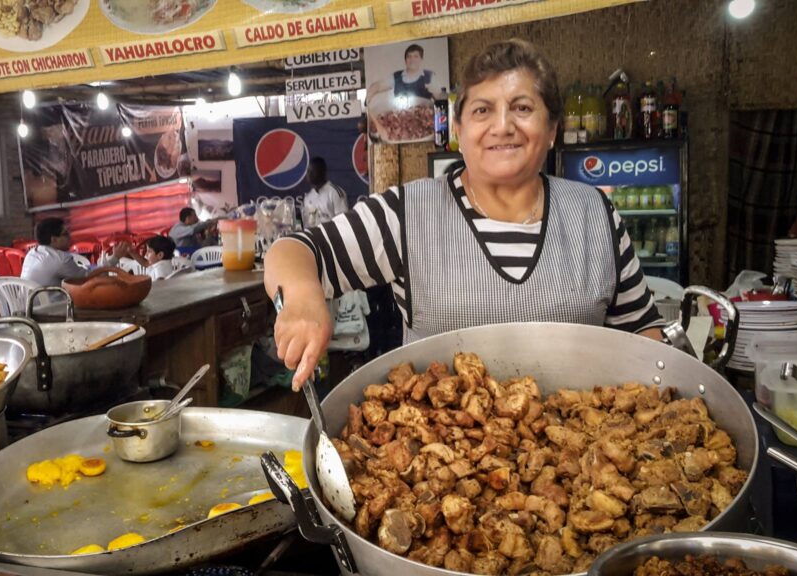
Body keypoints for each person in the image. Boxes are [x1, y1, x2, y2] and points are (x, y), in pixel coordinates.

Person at [264, 39, 664, 390]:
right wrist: (302, 296)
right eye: (482, 111)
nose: (502, 126)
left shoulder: (595, 213)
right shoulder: (406, 214)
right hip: (435, 465)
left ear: (553, 128)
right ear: (459, 127)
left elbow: (643, 333)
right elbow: (295, 250)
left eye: (522, 107)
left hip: (581, 460)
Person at [21, 218, 129, 287]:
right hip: (49, 310)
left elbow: (86, 271)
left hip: (28, 306)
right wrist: (115, 258)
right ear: (54, 239)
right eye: (65, 234)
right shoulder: (60, 260)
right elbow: (89, 278)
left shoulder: (32, 253)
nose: (70, 237)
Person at [367, 43, 438, 102]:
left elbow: (440, 98)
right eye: (409, 56)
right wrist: (368, 98)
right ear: (405, 60)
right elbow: (378, 86)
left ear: (421, 59)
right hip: (401, 116)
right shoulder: (396, 76)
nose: (412, 59)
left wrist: (434, 92)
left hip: (425, 116)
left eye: (416, 56)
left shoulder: (429, 76)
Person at [303, 157, 349, 227]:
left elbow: (343, 222)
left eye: (312, 171)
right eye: (308, 171)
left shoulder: (335, 192)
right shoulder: (308, 197)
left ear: (322, 172)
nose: (309, 174)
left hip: (332, 236)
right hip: (313, 236)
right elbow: (308, 224)